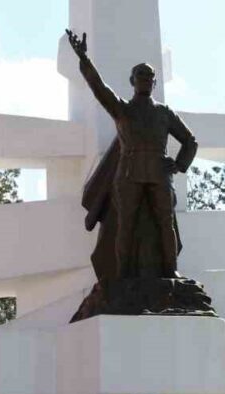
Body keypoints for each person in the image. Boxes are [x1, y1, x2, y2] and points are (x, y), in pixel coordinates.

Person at [66, 28, 197, 278]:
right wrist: (84, 59)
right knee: (125, 226)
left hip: (159, 174)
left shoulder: (164, 113)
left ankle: (171, 273)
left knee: (165, 225)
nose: (145, 79)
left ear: (155, 82)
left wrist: (179, 165)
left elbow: (190, 141)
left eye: (149, 76)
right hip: (129, 174)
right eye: (141, 75)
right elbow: (99, 87)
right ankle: (123, 276)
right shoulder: (122, 110)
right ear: (132, 81)